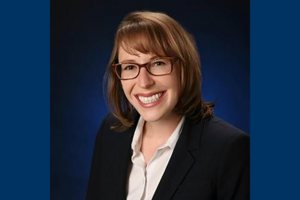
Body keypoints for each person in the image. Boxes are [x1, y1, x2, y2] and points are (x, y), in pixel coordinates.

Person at [86, 11, 249, 200]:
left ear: (184, 68)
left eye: (158, 63)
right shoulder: (110, 131)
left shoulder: (230, 150)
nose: (144, 82)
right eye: (130, 66)